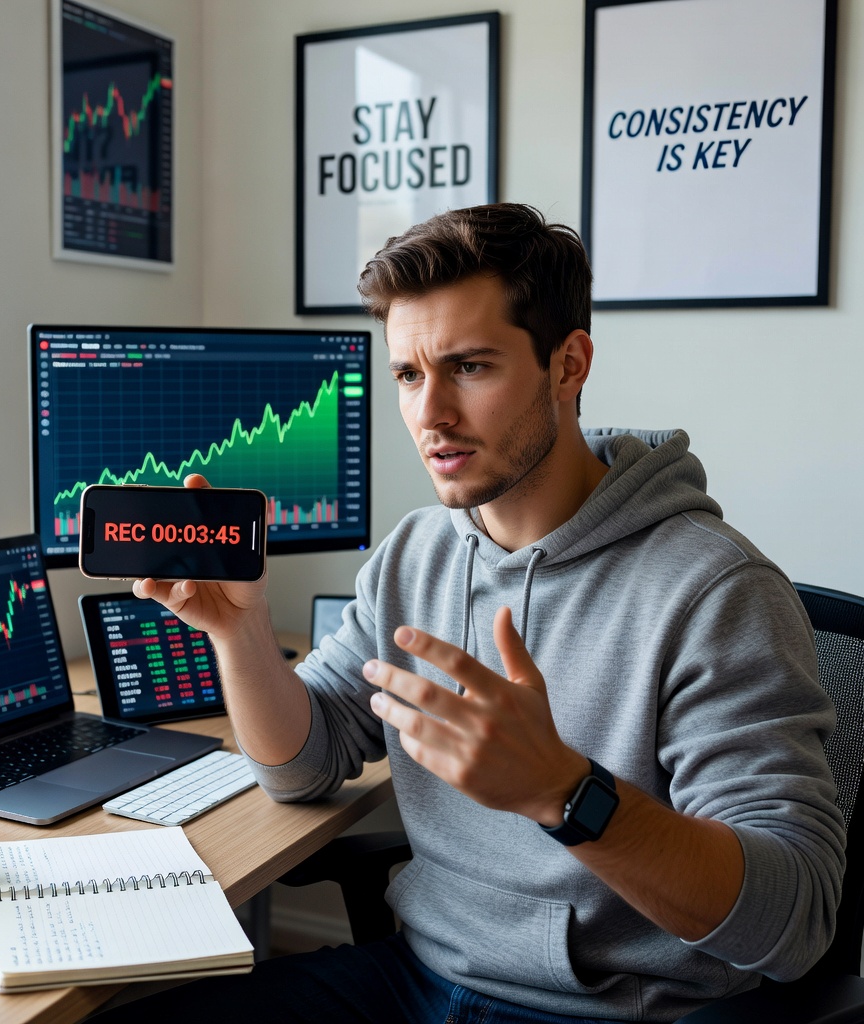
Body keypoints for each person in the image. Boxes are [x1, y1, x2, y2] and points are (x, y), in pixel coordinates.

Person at [94, 203, 844, 1023]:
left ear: (568, 365)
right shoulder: (416, 551)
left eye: (470, 368)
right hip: (417, 977)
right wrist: (239, 632)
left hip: (608, 1012)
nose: (430, 415)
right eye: (409, 376)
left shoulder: (715, 591)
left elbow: (794, 921)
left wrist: (564, 791)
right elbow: (303, 767)